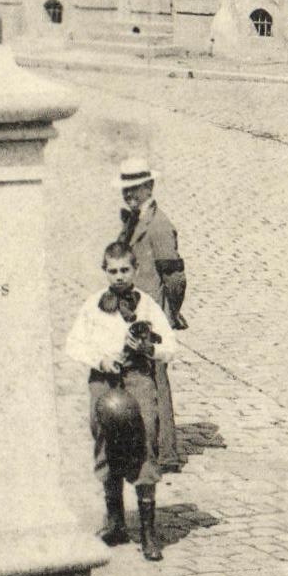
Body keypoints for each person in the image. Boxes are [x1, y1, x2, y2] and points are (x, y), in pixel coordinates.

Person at [65, 242, 179, 562]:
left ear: (135, 270)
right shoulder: (92, 305)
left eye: (124, 270)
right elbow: (74, 343)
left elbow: (170, 345)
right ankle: (115, 521)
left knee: (144, 441)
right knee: (105, 440)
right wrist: (100, 360)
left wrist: (148, 350)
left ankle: (148, 531)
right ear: (105, 271)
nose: (118, 277)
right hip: (104, 380)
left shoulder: (147, 306)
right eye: (112, 271)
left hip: (138, 378)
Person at [114, 155, 186, 472]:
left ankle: (166, 452)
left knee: (156, 381)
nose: (129, 195)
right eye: (125, 190)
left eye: (136, 189)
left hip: (152, 315)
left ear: (150, 187)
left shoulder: (158, 226)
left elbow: (175, 277)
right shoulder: (133, 220)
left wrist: (170, 313)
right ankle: (147, 446)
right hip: (133, 313)